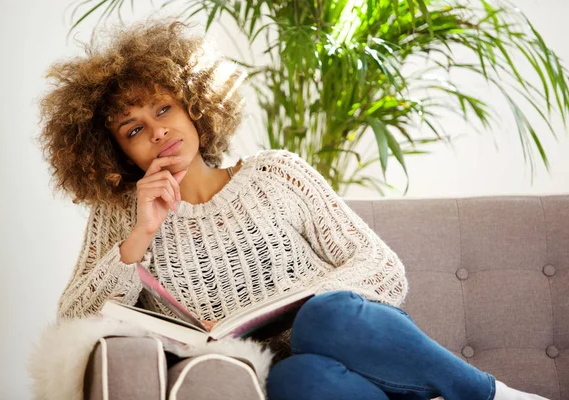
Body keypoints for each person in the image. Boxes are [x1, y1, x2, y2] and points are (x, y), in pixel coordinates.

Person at [36, 17, 548, 400]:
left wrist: (297, 303)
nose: (158, 131)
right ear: (117, 153)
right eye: (134, 130)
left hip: (356, 343)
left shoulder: (275, 173)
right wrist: (141, 236)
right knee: (293, 379)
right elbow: (75, 323)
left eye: (164, 107)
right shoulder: (124, 215)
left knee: (322, 316)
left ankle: (492, 395)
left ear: (193, 102)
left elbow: (384, 270)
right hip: (307, 383)